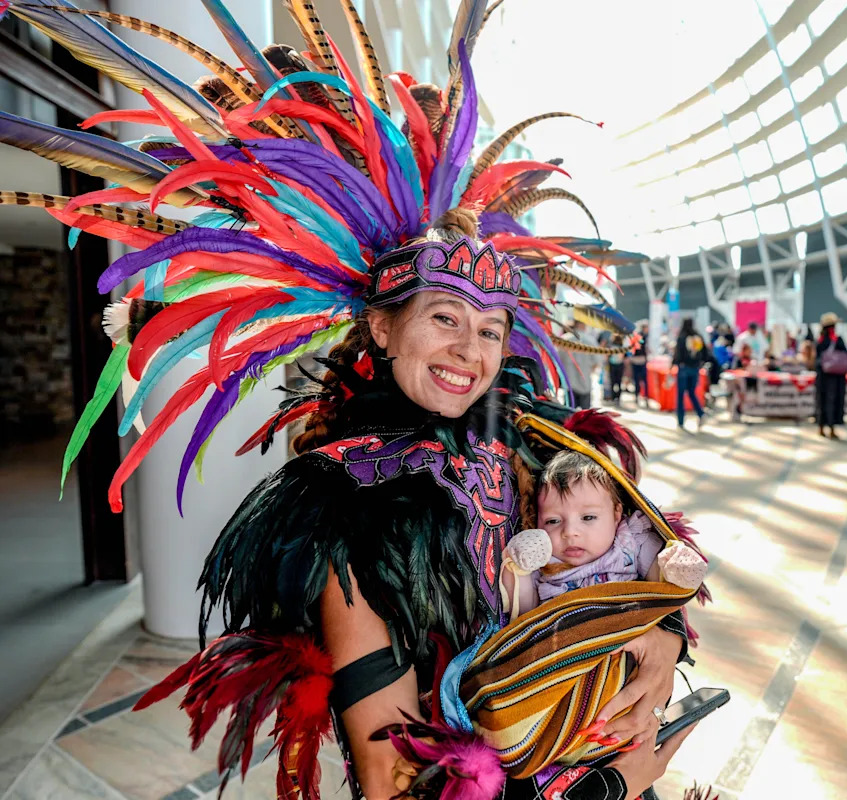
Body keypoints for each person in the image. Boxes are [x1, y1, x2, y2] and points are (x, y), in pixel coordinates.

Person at [7, 5, 699, 797]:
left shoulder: (533, 440)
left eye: (489, 330)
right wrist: (610, 788)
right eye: (443, 318)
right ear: (382, 327)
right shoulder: (346, 501)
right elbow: (392, 775)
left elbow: (637, 552)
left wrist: (662, 636)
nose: (469, 352)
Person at [501, 450, 708, 617]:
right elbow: (524, 610)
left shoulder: (630, 541)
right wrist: (519, 565)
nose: (570, 532)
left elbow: (659, 579)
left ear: (616, 514)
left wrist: (674, 566)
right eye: (553, 521)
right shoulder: (545, 562)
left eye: (588, 517)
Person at [813, 312, 847, 439]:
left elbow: (816, 360)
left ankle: (821, 427)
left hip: (823, 376)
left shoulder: (820, 341)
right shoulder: (836, 340)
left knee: (822, 400)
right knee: (833, 401)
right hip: (835, 377)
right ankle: (831, 427)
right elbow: (846, 356)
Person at [673, 318, 709, 431]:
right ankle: (700, 413)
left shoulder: (682, 336)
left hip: (684, 368)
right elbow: (705, 352)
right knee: (692, 392)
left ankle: (680, 420)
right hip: (695, 368)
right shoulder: (697, 336)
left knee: (680, 395)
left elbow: (678, 353)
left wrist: (674, 363)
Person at [630, 321, 650, 407]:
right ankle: (645, 397)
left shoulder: (636, 336)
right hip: (641, 360)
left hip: (635, 359)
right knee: (644, 380)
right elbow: (642, 346)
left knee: (636, 380)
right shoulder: (642, 336)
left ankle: (637, 396)